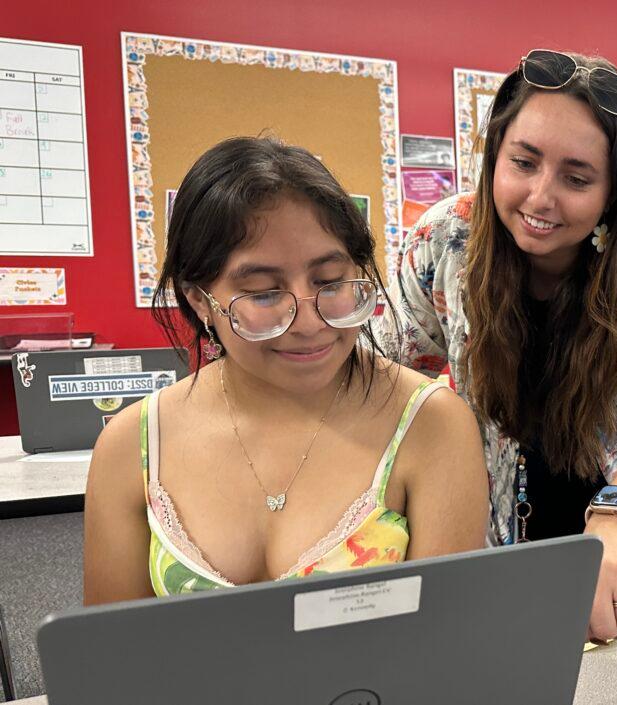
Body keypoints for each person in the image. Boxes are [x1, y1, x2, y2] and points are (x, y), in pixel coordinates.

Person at [383, 50, 617, 642]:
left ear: (613, 193)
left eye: (577, 178)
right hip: (495, 524)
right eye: (523, 162)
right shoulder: (445, 243)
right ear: (494, 157)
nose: (540, 196)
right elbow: (384, 376)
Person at [83, 137, 488, 604]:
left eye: (331, 282)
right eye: (261, 293)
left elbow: (443, 645)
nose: (310, 322)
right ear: (200, 301)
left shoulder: (431, 424)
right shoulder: (133, 445)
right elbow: (113, 658)